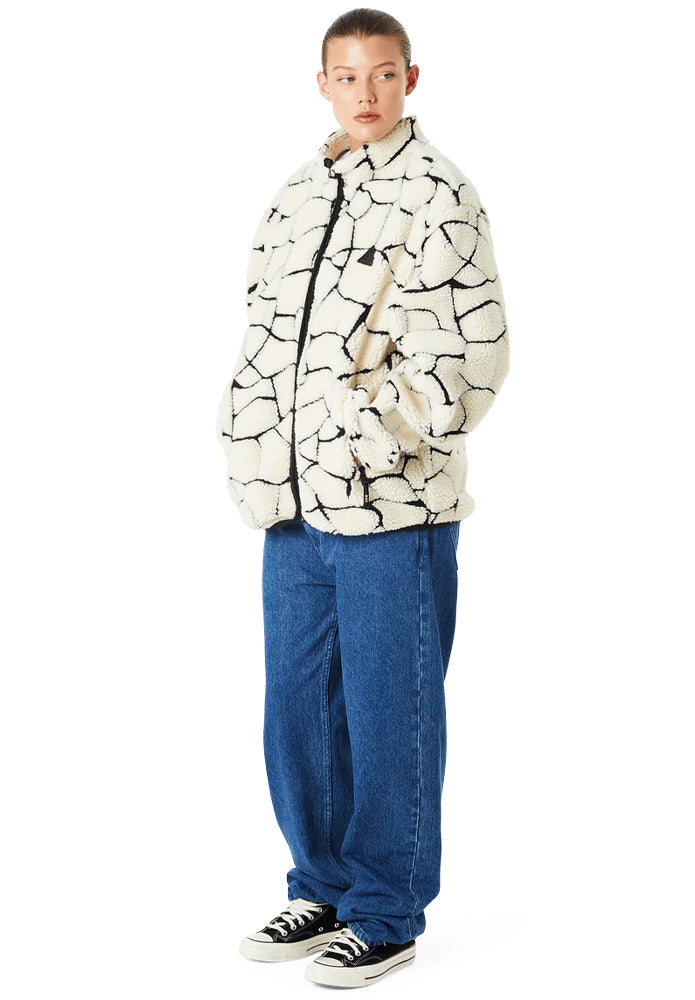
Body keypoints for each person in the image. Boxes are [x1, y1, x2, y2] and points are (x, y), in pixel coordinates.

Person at [216, 9, 510, 988]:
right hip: (292, 503)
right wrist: (251, 443)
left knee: (391, 713)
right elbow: (263, 335)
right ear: (323, 85)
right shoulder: (299, 193)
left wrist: (368, 433)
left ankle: (386, 909)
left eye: (383, 74)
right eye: (347, 77)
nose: (366, 94)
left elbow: (472, 358)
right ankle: (324, 884)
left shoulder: (439, 193)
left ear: (410, 79)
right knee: (298, 710)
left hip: (393, 507)